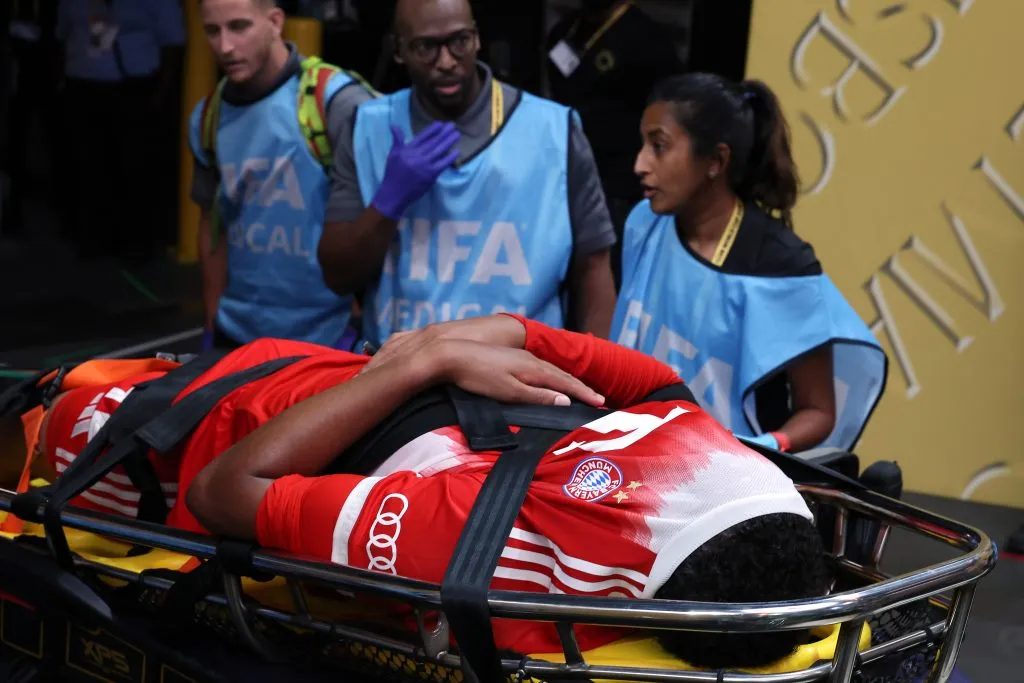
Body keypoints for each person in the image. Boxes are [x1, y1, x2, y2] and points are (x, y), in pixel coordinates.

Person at [1, 315, 828, 670]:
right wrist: (429, 353)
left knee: (41, 427)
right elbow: (515, 329)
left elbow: (220, 489)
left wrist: (428, 361)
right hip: (299, 379)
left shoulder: (487, 530)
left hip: (196, 429)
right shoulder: (673, 420)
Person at [316, 0, 619, 349]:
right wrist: (389, 201)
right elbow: (337, 276)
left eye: (459, 41)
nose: (446, 62)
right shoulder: (367, 127)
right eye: (425, 47)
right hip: (399, 376)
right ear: (399, 52)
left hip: (524, 378)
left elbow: (593, 266)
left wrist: (596, 375)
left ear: (477, 39)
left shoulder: (554, 129)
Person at [610, 73, 888, 454]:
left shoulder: (781, 263)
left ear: (715, 161)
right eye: (643, 144)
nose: (640, 164)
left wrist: (759, 448)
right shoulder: (643, 223)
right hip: (630, 454)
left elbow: (819, 411)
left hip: (733, 481)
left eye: (658, 146)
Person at [188, 0, 377, 351]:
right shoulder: (207, 119)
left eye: (239, 27)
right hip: (238, 338)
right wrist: (213, 323)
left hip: (328, 337)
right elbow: (211, 224)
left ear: (275, 22)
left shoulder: (335, 103)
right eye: (212, 31)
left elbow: (382, 218)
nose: (225, 46)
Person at [545, 0, 683, 287]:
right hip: (564, 173)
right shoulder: (568, 29)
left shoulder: (649, 41)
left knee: (606, 271)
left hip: (618, 185)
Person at [56, 0, 185, 263]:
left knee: (132, 167)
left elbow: (173, 43)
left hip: (132, 87)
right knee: (88, 165)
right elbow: (63, 33)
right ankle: (93, 238)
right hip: (83, 85)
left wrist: (159, 96)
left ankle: (134, 243)